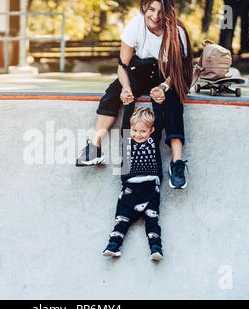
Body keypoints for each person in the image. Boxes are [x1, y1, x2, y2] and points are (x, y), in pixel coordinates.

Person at [75, 0, 193, 189]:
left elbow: (180, 71)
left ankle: (177, 164)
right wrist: (126, 88)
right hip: (142, 69)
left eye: (161, 12)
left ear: (169, 12)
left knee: (174, 101)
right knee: (112, 93)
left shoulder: (177, 32)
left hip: (169, 74)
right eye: (151, 10)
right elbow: (122, 67)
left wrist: (163, 86)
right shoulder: (135, 25)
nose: (155, 16)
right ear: (144, 7)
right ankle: (95, 147)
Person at [103, 106, 163, 260]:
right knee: (122, 219)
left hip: (150, 187)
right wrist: (129, 104)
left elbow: (160, 122)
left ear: (151, 131)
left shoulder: (153, 140)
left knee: (152, 220)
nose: (138, 134)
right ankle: (113, 245)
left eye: (143, 131)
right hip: (130, 187)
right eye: (135, 130)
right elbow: (126, 123)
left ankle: (156, 248)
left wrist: (157, 103)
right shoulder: (127, 140)